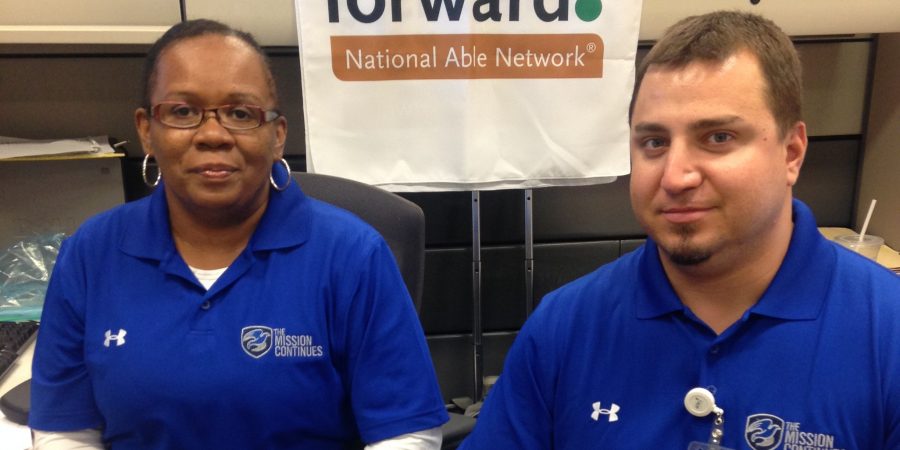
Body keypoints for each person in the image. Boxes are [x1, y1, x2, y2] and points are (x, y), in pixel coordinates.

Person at [460, 10, 900, 450]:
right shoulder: (565, 326)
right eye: (654, 143)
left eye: (718, 137)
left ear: (792, 153)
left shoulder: (886, 331)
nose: (675, 177)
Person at [28, 19, 448, 449]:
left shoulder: (353, 256)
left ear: (277, 136)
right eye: (183, 112)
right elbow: (66, 430)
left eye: (241, 114)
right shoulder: (90, 255)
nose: (213, 135)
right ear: (146, 130)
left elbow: (406, 431)